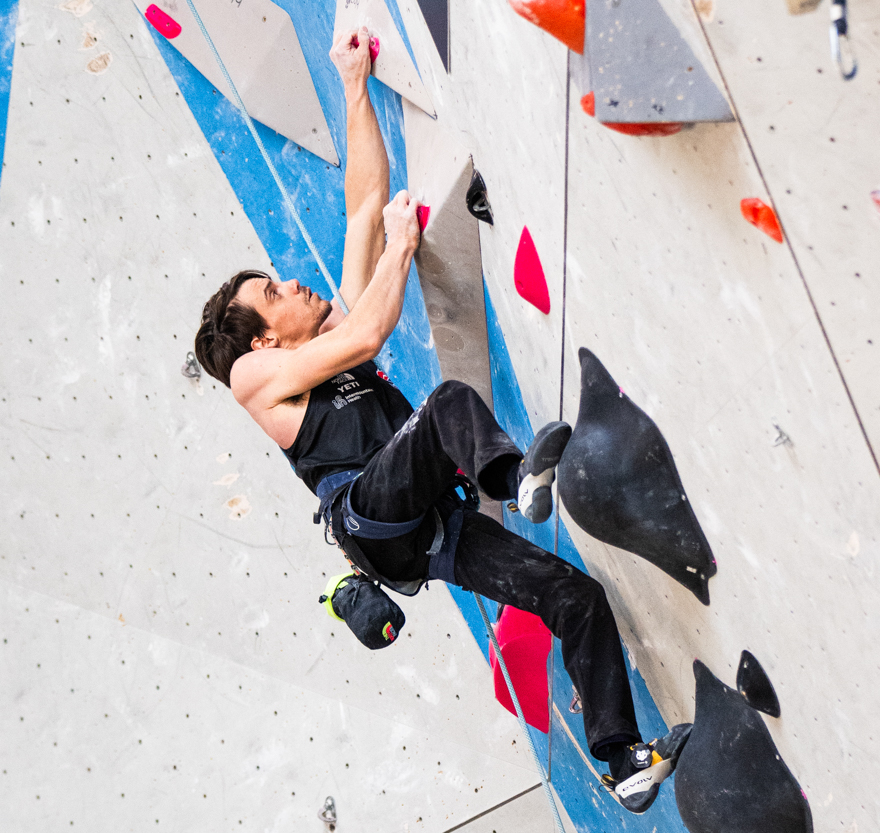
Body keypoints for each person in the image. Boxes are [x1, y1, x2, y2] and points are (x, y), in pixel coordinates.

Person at [191, 27, 687, 814]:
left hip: (429, 527)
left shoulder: (319, 338)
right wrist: (400, 249)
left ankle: (621, 758)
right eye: (274, 292)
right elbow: (368, 332)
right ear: (262, 340)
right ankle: (516, 480)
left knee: (573, 596)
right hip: (374, 517)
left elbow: (363, 205)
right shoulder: (254, 378)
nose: (290, 282)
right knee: (446, 405)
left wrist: (354, 85)